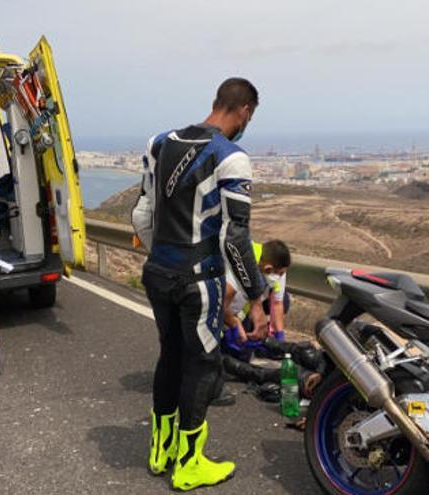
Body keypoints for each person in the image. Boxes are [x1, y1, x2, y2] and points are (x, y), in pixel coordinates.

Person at [131, 77, 267, 491]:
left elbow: (141, 215)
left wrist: (163, 256)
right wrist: (257, 297)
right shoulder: (231, 157)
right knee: (203, 365)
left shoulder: (159, 142)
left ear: (215, 101)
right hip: (198, 279)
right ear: (244, 111)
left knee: (169, 354)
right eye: (250, 117)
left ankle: (160, 450)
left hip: (158, 271)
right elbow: (235, 238)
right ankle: (190, 464)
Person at [217, 240, 325, 402]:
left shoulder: (276, 270)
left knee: (242, 352)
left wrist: (279, 341)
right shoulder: (241, 266)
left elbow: (277, 303)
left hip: (240, 307)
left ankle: (258, 346)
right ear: (268, 268)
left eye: (282, 273)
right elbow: (219, 303)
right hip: (213, 304)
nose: (279, 277)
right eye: (278, 273)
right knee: (217, 359)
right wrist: (233, 324)